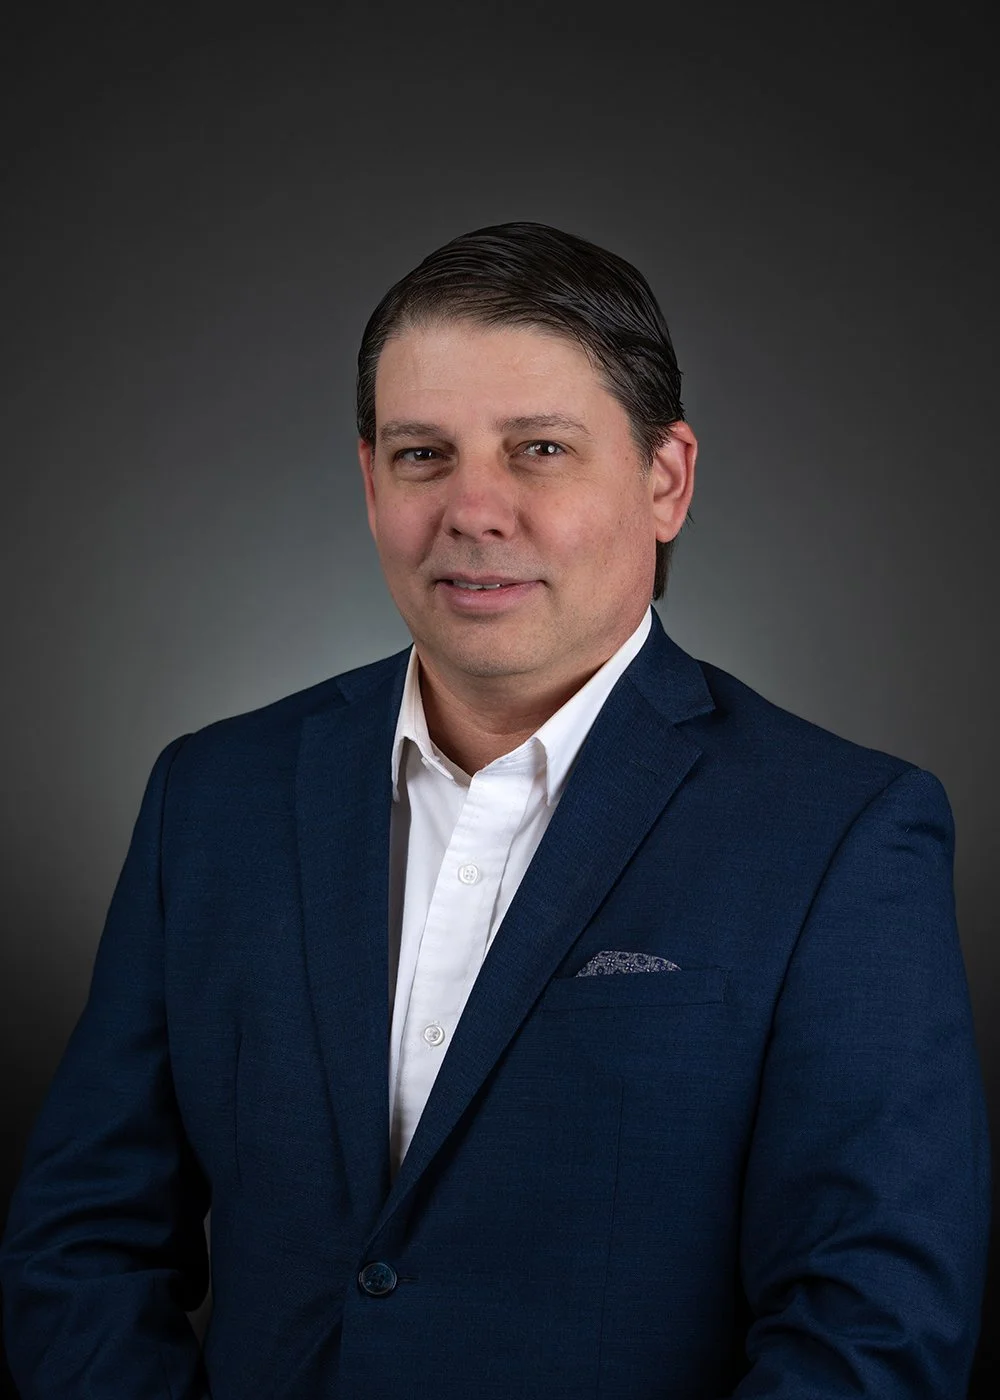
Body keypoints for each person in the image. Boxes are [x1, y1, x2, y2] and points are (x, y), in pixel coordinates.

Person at [0, 221, 990, 1399]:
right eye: (424, 454)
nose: (474, 508)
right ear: (369, 482)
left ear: (664, 479)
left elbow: (869, 1327)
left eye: (538, 448)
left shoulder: (841, 831)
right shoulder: (214, 796)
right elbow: (82, 1242)